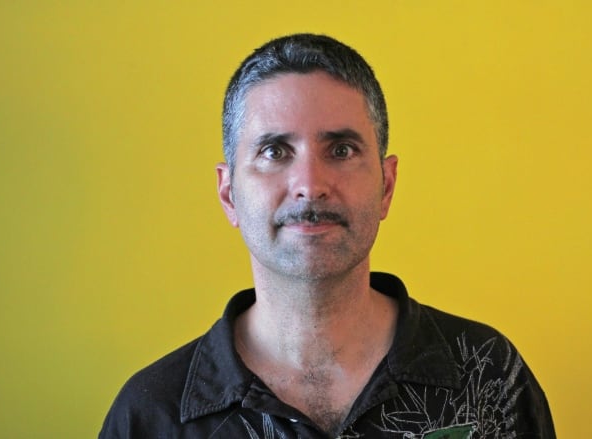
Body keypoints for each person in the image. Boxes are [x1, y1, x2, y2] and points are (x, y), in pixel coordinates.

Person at [99, 33, 556, 439]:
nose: (310, 183)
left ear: (387, 185)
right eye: (275, 151)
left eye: (341, 149)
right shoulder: (149, 415)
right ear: (229, 193)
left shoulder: (491, 377)